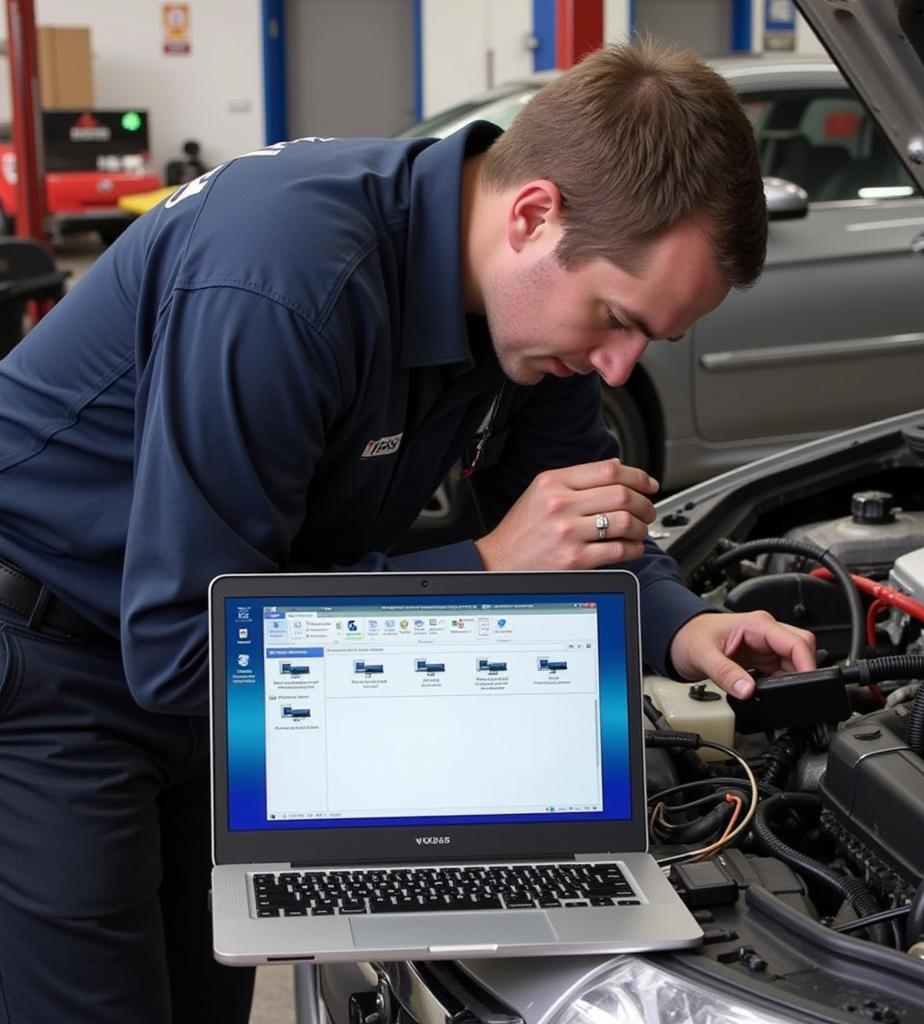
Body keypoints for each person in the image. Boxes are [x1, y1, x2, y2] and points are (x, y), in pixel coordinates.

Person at [0, 39, 815, 1023]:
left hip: (220, 677)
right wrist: (484, 566)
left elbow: (583, 525)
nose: (616, 367)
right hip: (51, 670)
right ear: (531, 214)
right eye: (614, 316)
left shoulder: (524, 325)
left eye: (651, 339)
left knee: (208, 992)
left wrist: (681, 626)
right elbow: (177, 644)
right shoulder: (287, 281)